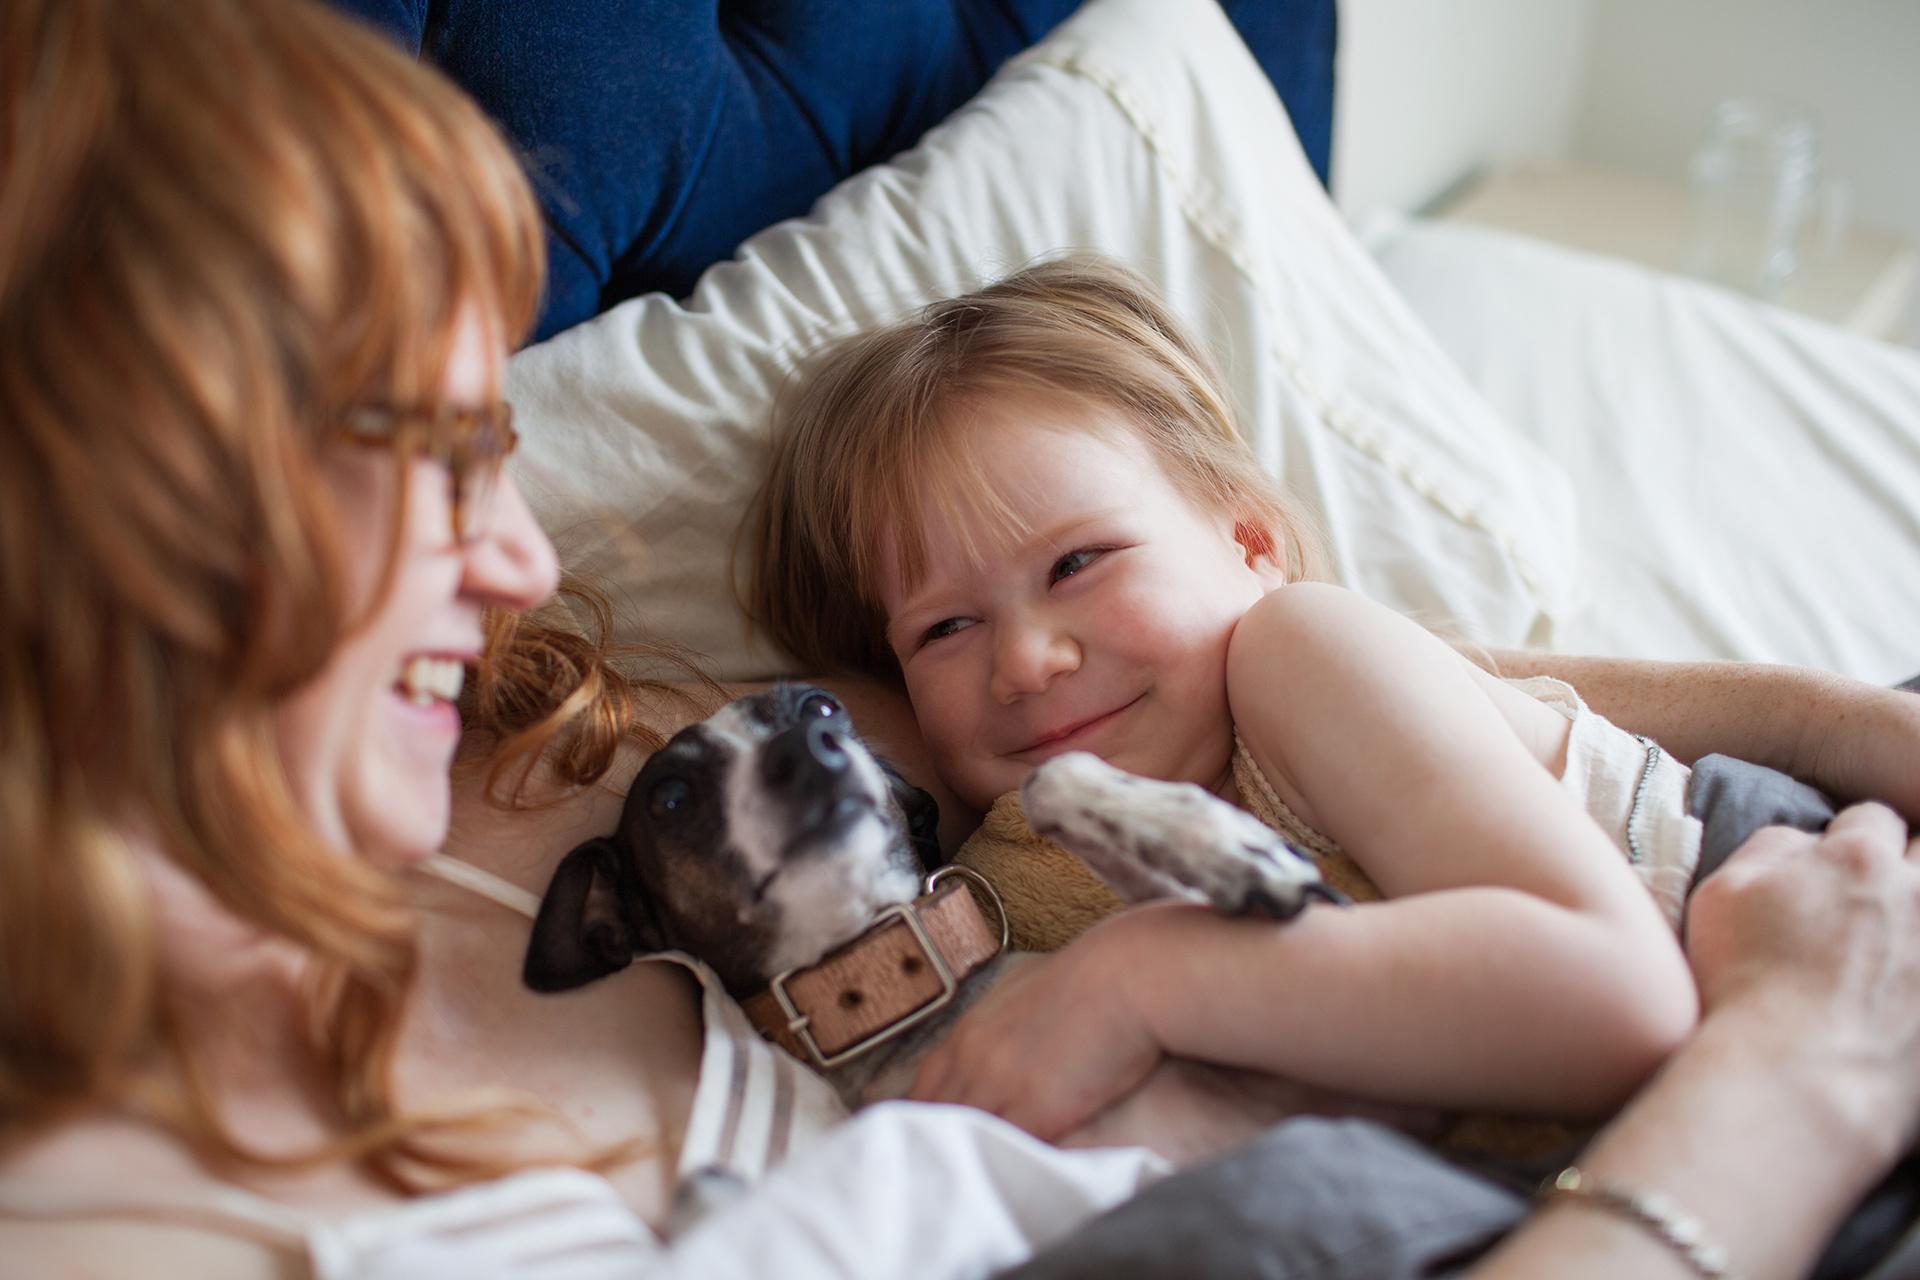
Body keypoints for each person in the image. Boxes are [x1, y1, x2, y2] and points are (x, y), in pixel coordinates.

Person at [743, 253, 1908, 1144]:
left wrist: (1140, 978)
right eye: (945, 627)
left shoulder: (1301, 654)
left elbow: (1615, 998)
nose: (1027, 660)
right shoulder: (1007, 877)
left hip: (1805, 918)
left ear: (1250, 542)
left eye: (1078, 563)